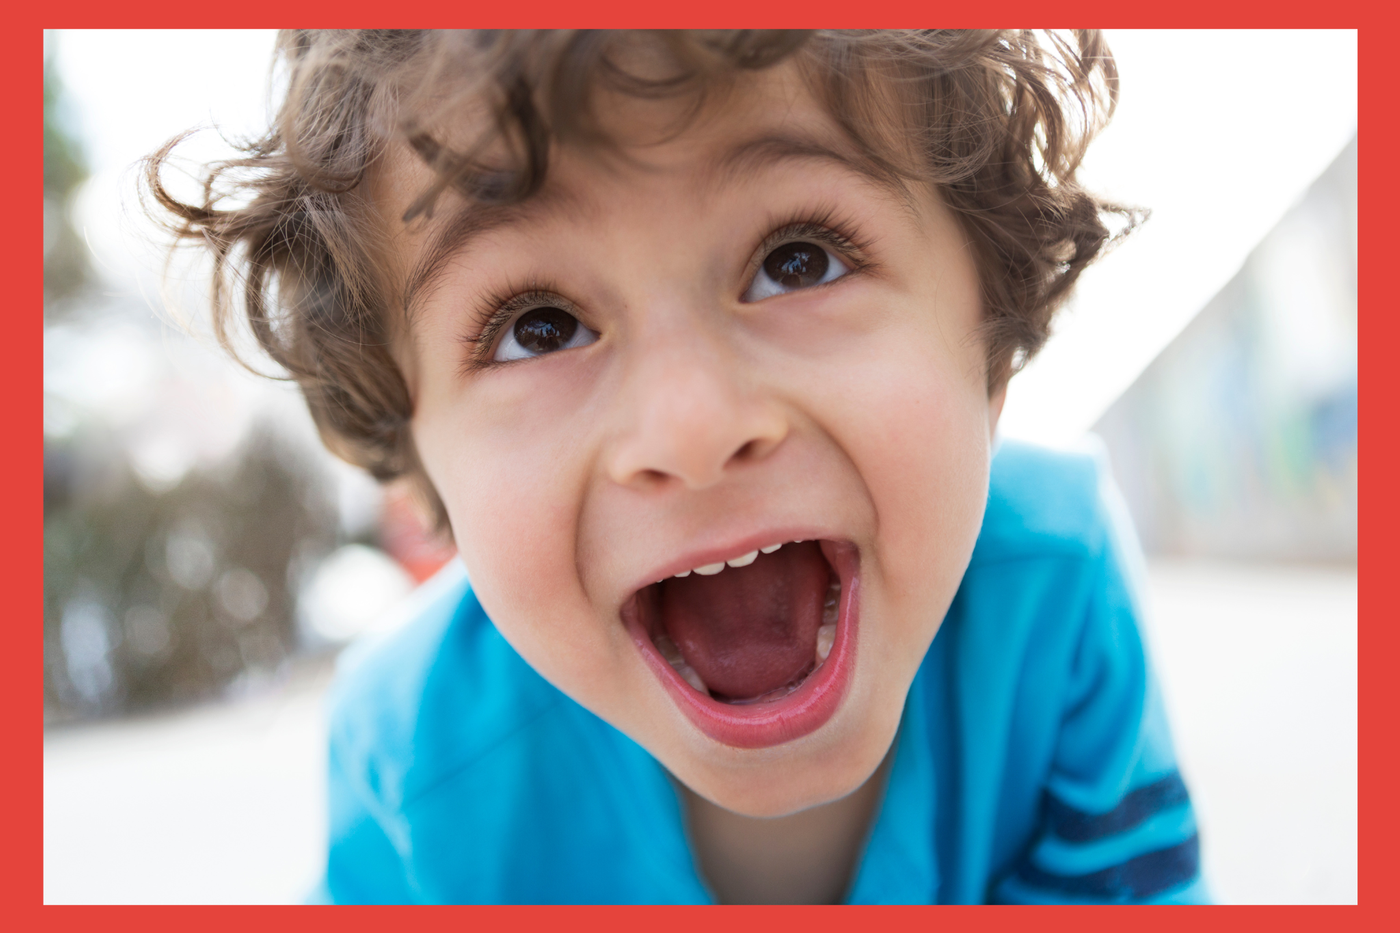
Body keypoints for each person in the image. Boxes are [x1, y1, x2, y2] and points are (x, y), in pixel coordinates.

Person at [145, 29, 1207, 904]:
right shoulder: (413, 762)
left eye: (797, 261)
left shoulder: (1051, 582)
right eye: (541, 328)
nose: (691, 429)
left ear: (987, 337)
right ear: (415, 452)